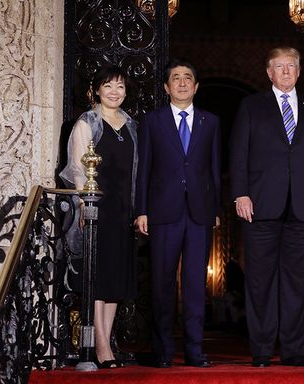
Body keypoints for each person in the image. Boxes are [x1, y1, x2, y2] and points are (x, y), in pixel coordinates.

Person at [230, 47, 304, 368]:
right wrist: (240, 194)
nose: (286, 71)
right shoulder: (251, 106)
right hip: (260, 205)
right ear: (269, 73)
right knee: (260, 282)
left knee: (297, 282)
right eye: (280, 66)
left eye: (292, 66)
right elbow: (238, 154)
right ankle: (261, 351)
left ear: (299, 72)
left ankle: (293, 351)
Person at [135, 58, 220, 368]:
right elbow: (143, 169)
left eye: (188, 78)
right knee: (162, 282)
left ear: (196, 87)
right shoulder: (152, 121)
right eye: (176, 78)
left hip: (199, 213)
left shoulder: (210, 122)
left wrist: (216, 210)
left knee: (196, 282)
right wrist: (141, 209)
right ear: (166, 87)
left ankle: (195, 350)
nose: (182, 83)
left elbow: (214, 169)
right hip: (163, 211)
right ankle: (163, 351)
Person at [60, 65, 138, 368]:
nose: (115, 92)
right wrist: (83, 206)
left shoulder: (131, 125)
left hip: (122, 211)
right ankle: (101, 346)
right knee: (99, 275)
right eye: (108, 86)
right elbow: (77, 170)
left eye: (120, 86)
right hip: (96, 209)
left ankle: (107, 339)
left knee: (117, 276)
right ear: (96, 90)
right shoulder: (87, 123)